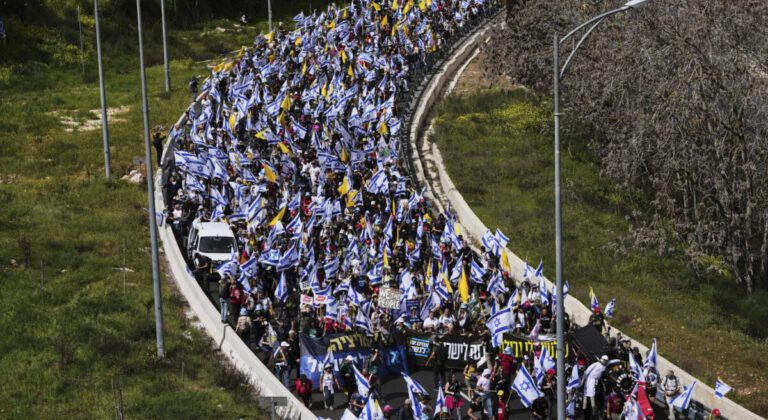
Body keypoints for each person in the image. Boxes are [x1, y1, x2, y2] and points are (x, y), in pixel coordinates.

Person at [581, 355, 609, 420]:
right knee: (587, 394)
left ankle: (593, 411)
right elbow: (588, 370)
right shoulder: (596, 364)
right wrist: (583, 379)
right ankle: (586, 408)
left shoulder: (604, 367)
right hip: (590, 381)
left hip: (595, 382)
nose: (605, 362)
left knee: (592, 394)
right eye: (605, 360)